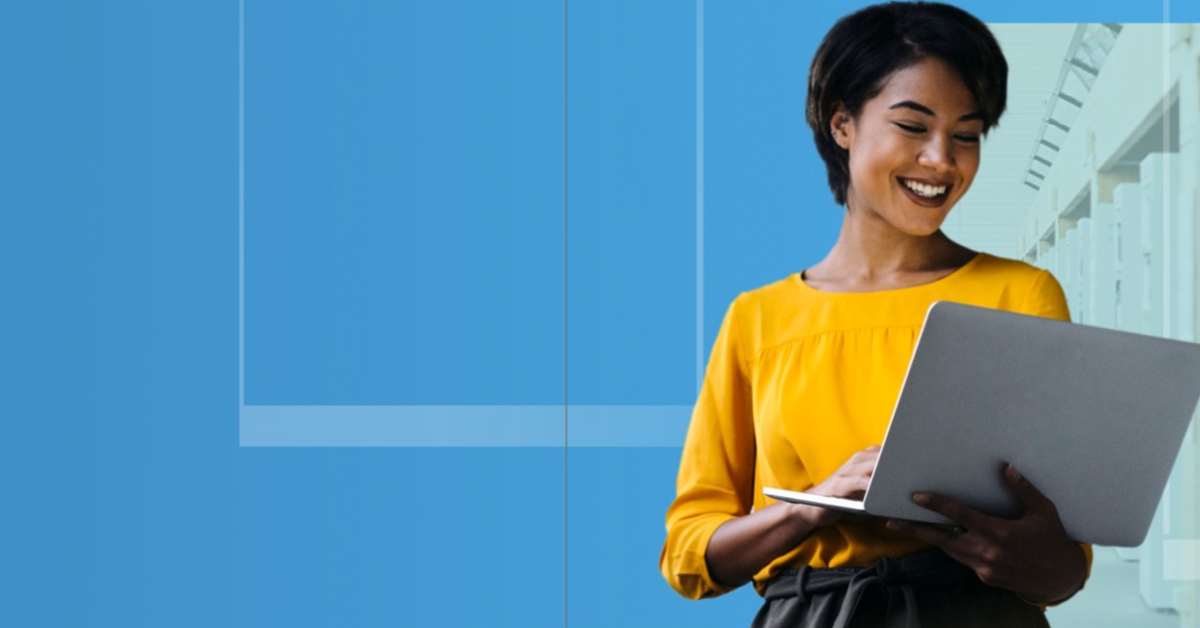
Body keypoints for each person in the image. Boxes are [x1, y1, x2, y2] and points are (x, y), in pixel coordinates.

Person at [659, 2, 1093, 626]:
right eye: (913, 126)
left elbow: (1066, 568)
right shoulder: (758, 318)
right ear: (842, 125)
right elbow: (689, 556)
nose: (943, 160)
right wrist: (810, 508)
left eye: (966, 135)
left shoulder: (1021, 295)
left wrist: (1037, 560)